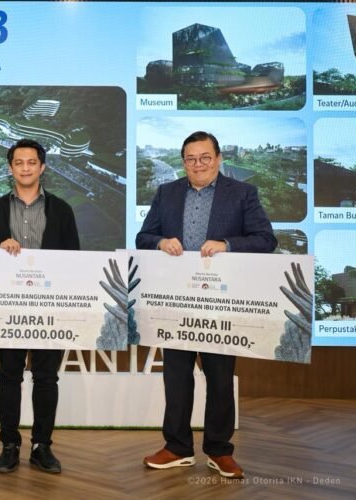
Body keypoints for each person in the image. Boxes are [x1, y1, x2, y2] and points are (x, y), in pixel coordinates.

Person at [136, 131, 277, 479]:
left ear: (218, 158)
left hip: (221, 303)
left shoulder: (242, 193)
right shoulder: (167, 193)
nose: (198, 164)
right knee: (176, 378)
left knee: (220, 379)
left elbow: (266, 239)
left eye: (204, 157)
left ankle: (219, 450)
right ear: (183, 162)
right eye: (190, 159)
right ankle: (177, 447)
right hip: (176, 303)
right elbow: (143, 237)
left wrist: (228, 244)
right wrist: (160, 242)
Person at [0, 138, 80, 474]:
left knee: (47, 379)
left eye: (32, 162)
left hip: (50, 310)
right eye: (19, 162)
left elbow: (75, 261)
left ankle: (41, 446)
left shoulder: (62, 210)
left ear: (42, 167)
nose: (25, 168)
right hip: (8, 310)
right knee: (9, 377)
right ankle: (9, 445)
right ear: (10, 168)